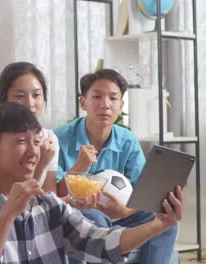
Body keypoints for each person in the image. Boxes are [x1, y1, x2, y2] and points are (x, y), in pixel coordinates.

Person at [0, 102, 183, 263]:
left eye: (36, 142)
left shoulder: (48, 205)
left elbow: (101, 240)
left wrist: (159, 225)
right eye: (21, 141)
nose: (33, 152)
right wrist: (7, 214)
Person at [54, 68, 179, 264]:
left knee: (167, 222)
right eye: (97, 97)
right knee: (95, 217)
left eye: (113, 99)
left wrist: (124, 212)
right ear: (83, 102)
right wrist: (79, 167)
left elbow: (144, 190)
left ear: (121, 106)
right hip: (77, 213)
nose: (105, 105)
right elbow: (53, 196)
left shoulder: (127, 140)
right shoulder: (59, 138)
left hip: (120, 213)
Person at [0, 62, 58, 192]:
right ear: (4, 99)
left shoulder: (49, 138)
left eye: (36, 95)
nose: (30, 104)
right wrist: (41, 165)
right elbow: (3, 199)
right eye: (20, 96)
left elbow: (49, 199)